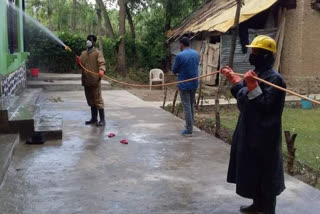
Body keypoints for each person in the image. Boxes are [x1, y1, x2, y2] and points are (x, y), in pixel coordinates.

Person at [221, 35, 286, 214]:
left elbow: (265, 105)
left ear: (265, 55)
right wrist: (234, 79)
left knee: (265, 173)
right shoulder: (256, 74)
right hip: (249, 131)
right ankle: (257, 204)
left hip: (265, 135)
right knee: (253, 171)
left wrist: (252, 87)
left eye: (255, 51)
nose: (251, 54)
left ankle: (267, 210)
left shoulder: (275, 79)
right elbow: (242, 95)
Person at [76, 35, 106, 126]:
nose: (88, 41)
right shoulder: (83, 54)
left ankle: (102, 120)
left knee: (98, 100)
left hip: (95, 80)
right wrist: (78, 62)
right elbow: (81, 66)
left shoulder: (97, 53)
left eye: (91, 40)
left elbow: (102, 63)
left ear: (94, 42)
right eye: (88, 40)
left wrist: (101, 70)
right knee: (90, 100)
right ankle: (94, 118)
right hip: (86, 81)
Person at [172, 37, 200, 137]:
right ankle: (191, 126)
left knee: (187, 106)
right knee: (191, 105)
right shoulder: (196, 54)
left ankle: (189, 130)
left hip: (184, 84)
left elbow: (174, 70)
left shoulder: (179, 56)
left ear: (181, 44)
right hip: (194, 83)